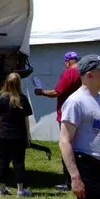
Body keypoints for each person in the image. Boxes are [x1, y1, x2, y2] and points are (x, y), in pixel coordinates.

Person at [59, 54, 100, 199]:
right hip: (87, 166)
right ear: (89, 75)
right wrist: (75, 178)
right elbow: (64, 141)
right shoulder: (75, 101)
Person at [34, 51, 82, 191]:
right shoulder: (83, 71)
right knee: (78, 147)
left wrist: (41, 91)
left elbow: (57, 92)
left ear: (67, 62)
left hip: (66, 114)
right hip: (79, 113)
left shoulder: (69, 73)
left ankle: (68, 181)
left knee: (66, 146)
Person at [0, 72, 33, 197]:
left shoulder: (1, 99)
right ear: (19, 84)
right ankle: (21, 190)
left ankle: (2, 189)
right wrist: (28, 136)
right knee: (19, 162)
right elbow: (26, 120)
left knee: (3, 162)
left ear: (7, 83)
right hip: (19, 135)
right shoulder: (23, 99)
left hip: (5, 135)